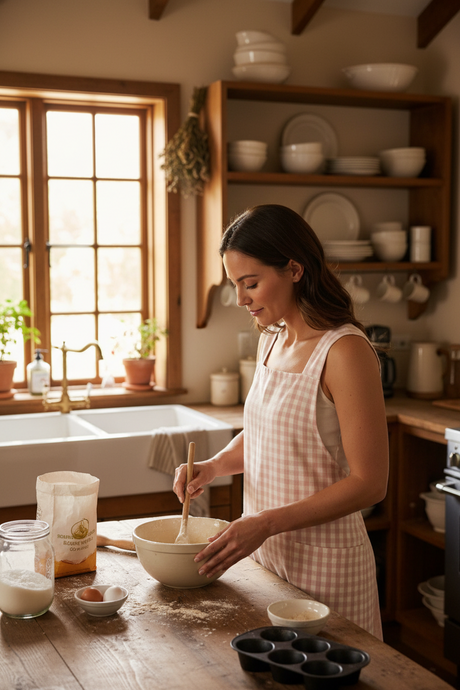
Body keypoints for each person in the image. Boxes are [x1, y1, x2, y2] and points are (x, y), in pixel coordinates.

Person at [174, 204, 389, 639]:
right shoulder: (271, 340)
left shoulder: (344, 351)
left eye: (250, 283)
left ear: (294, 269)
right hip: (266, 561)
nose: (241, 299)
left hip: (327, 571)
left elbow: (370, 483)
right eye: (236, 285)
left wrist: (266, 522)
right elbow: (264, 436)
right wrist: (213, 466)